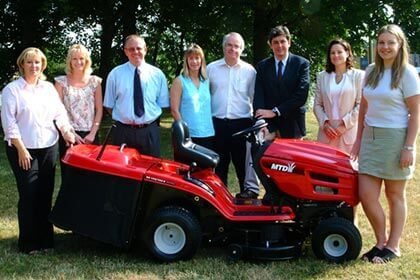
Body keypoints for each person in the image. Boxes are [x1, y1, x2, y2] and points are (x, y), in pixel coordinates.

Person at [351, 24, 419, 263]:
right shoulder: (370, 71)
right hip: (371, 137)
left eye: (391, 42)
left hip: (396, 138)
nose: (385, 47)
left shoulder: (407, 73)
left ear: (400, 45)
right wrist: (358, 140)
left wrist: (408, 146)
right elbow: (364, 108)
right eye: (381, 42)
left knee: (394, 195)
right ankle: (380, 242)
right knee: (366, 195)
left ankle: (393, 246)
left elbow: (416, 113)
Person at [1, 47, 76, 254]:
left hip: (48, 147)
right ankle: (28, 243)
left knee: (45, 193)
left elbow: (59, 113)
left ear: (42, 65)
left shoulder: (48, 88)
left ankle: (46, 240)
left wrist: (67, 131)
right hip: (22, 149)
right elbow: (9, 124)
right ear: (22, 65)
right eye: (29, 62)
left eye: (38, 63)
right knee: (29, 194)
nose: (34, 66)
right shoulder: (12, 90)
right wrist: (21, 149)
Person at [207, 32, 259, 199]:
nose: (232, 49)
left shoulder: (250, 71)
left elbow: (253, 97)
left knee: (242, 162)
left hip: (242, 124)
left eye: (236, 46)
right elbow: (205, 95)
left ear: (242, 49)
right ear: (223, 47)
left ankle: (247, 196)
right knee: (219, 162)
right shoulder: (211, 68)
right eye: (229, 45)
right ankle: (220, 197)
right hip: (218, 123)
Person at [104, 34, 169, 157]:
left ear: (145, 49)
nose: (135, 52)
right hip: (122, 131)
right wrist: (126, 118)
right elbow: (109, 105)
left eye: (139, 48)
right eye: (131, 49)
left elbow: (162, 104)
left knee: (150, 171)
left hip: (149, 131)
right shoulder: (115, 74)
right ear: (125, 51)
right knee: (122, 172)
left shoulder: (157, 75)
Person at [54, 44, 103, 181]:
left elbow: (99, 109)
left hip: (90, 135)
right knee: (70, 176)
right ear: (70, 61)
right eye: (74, 59)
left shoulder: (95, 81)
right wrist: (71, 134)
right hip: (68, 135)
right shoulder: (61, 82)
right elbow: (57, 110)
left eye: (81, 58)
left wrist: (93, 133)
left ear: (87, 60)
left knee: (90, 176)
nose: (78, 62)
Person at [253, 25, 310, 140]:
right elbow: (259, 95)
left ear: (289, 42)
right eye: (275, 42)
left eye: (282, 41)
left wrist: (276, 111)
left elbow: (301, 96)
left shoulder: (302, 64)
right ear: (270, 45)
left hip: (293, 123)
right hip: (269, 123)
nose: (279, 46)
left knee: (292, 157)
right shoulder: (262, 66)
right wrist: (261, 121)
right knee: (262, 155)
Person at [313, 38, 364, 153]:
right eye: (332, 53)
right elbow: (317, 105)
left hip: (348, 133)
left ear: (347, 53)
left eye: (339, 52)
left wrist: (344, 125)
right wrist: (325, 124)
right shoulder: (322, 76)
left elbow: (361, 105)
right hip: (326, 133)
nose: (336, 55)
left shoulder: (358, 76)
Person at [170, 44, 214, 150]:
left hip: (208, 133)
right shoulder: (179, 81)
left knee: (206, 166)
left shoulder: (207, 81)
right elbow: (174, 110)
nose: (194, 61)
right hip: (188, 135)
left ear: (201, 60)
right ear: (186, 60)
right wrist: (184, 133)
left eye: (197, 58)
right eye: (191, 58)